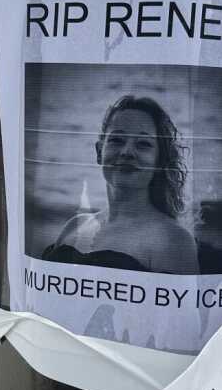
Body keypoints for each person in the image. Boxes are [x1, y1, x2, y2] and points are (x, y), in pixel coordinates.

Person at [41, 95, 199, 275]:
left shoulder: (173, 240)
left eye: (143, 144)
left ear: (160, 160)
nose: (126, 152)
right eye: (117, 140)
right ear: (99, 152)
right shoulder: (75, 226)